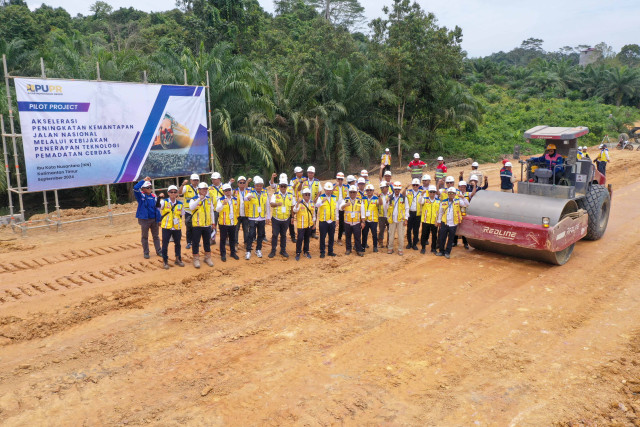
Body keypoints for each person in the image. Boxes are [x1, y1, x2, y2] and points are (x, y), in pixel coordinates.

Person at [189, 182, 216, 268]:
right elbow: (191, 207)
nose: (204, 191)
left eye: (206, 189)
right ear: (199, 190)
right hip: (197, 225)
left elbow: (211, 211)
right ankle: (196, 259)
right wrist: (199, 199)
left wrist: (213, 223)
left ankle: (207, 258)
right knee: (196, 242)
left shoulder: (208, 199)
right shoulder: (193, 199)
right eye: (203, 189)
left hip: (207, 225)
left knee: (207, 242)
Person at [436, 187, 468, 259]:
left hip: (453, 223)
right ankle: (441, 251)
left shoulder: (458, 201)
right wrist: (439, 221)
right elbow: (440, 212)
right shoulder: (443, 202)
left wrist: (463, 197)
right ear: (448, 194)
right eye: (449, 193)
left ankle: (447, 252)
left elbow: (466, 204)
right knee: (442, 238)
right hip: (444, 222)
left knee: (450, 239)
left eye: (452, 193)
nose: (451, 195)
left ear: (455, 194)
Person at [133, 177, 162, 259]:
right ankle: (146, 252)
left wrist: (159, 219)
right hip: (145, 220)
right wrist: (143, 180)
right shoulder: (141, 196)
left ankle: (159, 251)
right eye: (147, 187)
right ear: (143, 188)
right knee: (145, 237)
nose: (150, 189)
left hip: (154, 219)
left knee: (156, 236)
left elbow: (157, 208)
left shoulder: (154, 196)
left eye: (150, 187)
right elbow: (135, 188)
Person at [158, 185, 185, 269]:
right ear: (168, 193)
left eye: (175, 192)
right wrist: (159, 220)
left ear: (177, 193)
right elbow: (157, 209)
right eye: (171, 192)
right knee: (165, 244)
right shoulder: (164, 202)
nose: (173, 193)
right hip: (166, 227)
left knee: (178, 244)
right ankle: (165, 261)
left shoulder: (180, 204)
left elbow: (182, 213)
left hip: (176, 227)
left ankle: (178, 259)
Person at [244, 176, 270, 259]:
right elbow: (245, 198)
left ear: (262, 186)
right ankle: (248, 251)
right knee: (251, 234)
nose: (259, 187)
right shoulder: (251, 193)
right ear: (254, 186)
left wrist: (268, 217)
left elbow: (267, 206)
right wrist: (248, 198)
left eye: (260, 185)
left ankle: (258, 249)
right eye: (257, 185)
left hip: (261, 217)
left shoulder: (265, 194)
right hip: (252, 217)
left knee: (260, 234)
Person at [269, 177, 296, 258]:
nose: (283, 188)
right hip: (276, 219)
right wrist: (277, 204)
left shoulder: (290, 195)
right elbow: (271, 204)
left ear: (287, 187)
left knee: (284, 235)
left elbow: (292, 207)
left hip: (286, 219)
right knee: (275, 235)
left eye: (284, 186)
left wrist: (292, 217)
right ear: (279, 186)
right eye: (281, 186)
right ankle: (273, 250)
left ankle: (283, 250)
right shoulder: (275, 194)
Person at [215, 183, 240, 262]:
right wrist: (223, 204)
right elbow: (217, 209)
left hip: (233, 222)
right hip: (224, 223)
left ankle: (232, 253)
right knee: (223, 239)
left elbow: (237, 210)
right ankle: (223, 254)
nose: (228, 192)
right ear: (223, 191)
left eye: (229, 190)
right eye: (226, 190)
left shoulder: (235, 199)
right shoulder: (221, 199)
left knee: (232, 239)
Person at [339, 186, 365, 256]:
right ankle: (348, 249)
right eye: (351, 192)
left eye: (354, 192)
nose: (352, 193)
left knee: (357, 237)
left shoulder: (360, 201)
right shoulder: (345, 200)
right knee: (348, 236)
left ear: (356, 193)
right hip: (347, 222)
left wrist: (363, 222)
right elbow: (340, 208)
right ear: (349, 193)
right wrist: (345, 205)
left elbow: (362, 212)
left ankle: (358, 250)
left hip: (356, 222)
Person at [317, 182, 339, 258]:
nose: (328, 191)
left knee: (331, 237)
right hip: (323, 220)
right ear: (324, 189)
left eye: (330, 190)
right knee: (323, 237)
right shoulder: (321, 197)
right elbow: (317, 205)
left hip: (332, 220)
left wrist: (337, 219)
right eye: (327, 190)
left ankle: (330, 251)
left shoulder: (334, 197)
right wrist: (322, 201)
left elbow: (336, 209)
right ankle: (322, 252)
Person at [387, 181, 409, 256]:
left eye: (398, 189)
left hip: (401, 220)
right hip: (392, 220)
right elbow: (386, 208)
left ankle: (400, 249)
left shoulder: (403, 198)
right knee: (391, 235)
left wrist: (406, 219)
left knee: (401, 236)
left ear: (400, 189)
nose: (397, 190)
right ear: (394, 189)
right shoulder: (390, 197)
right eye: (395, 189)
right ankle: (390, 248)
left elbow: (406, 208)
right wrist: (387, 202)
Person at [293, 188, 315, 260]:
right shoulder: (300, 203)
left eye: (308, 194)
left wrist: (314, 223)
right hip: (301, 225)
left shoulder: (311, 203)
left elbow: (313, 214)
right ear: (303, 195)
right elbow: (294, 210)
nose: (307, 196)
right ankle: (298, 252)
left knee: (307, 239)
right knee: (300, 238)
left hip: (309, 224)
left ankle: (306, 251)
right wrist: (298, 203)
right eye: (306, 194)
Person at [180, 173, 200, 249]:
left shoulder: (199, 188)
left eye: (196, 180)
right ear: (191, 180)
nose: (195, 181)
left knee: (197, 227)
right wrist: (182, 185)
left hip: (197, 211)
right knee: (189, 227)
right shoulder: (186, 187)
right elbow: (180, 192)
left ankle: (196, 242)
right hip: (188, 211)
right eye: (194, 180)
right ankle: (189, 242)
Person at [418, 185, 439, 254]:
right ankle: (423, 248)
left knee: (434, 236)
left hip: (434, 221)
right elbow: (419, 201)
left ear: (435, 193)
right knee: (424, 235)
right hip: (425, 221)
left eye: (433, 192)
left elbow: (440, 212)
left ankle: (433, 248)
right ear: (429, 192)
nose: (432, 193)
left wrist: (438, 221)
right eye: (431, 192)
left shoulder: (438, 201)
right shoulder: (425, 199)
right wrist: (421, 195)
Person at [234, 176, 251, 251]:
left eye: (243, 182)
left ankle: (246, 244)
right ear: (238, 183)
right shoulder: (234, 192)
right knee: (236, 230)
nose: (242, 184)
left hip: (246, 214)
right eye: (240, 182)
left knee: (246, 229)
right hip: (237, 214)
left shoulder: (248, 191)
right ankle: (235, 244)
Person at [404, 178, 422, 250]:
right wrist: (406, 187)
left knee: (416, 230)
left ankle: (414, 244)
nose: (415, 186)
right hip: (410, 213)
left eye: (416, 185)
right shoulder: (408, 192)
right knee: (409, 229)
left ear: (419, 185)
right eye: (414, 185)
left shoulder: (422, 192)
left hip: (418, 214)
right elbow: (402, 194)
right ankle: (409, 243)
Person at [209, 172, 226, 245]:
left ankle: (225, 239)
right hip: (214, 210)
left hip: (224, 209)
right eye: (212, 179)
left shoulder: (225, 187)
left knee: (224, 225)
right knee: (213, 225)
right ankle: (212, 239)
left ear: (219, 179)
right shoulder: (209, 188)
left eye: (214, 179)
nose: (213, 181)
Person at [361, 184, 379, 252]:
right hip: (365, 220)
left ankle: (375, 246)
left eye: (370, 190)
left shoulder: (376, 199)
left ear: (373, 191)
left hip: (373, 220)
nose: (369, 191)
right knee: (364, 234)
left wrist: (379, 196)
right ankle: (363, 246)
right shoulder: (363, 199)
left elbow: (380, 204)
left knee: (374, 234)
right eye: (367, 190)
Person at [333, 172, 349, 245]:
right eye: (339, 179)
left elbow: (348, 196)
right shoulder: (332, 186)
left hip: (342, 207)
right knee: (333, 223)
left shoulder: (346, 187)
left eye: (341, 179)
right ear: (336, 179)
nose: (340, 181)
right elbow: (328, 193)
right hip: (334, 207)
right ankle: (331, 238)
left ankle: (339, 238)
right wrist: (334, 187)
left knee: (342, 223)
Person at [377, 181, 390, 249]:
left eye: (383, 187)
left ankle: (389, 243)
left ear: (387, 187)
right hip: (381, 215)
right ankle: (380, 242)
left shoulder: (391, 195)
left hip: (389, 215)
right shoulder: (379, 195)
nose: (382, 189)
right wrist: (379, 197)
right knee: (381, 230)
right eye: (381, 188)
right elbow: (379, 204)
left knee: (389, 230)